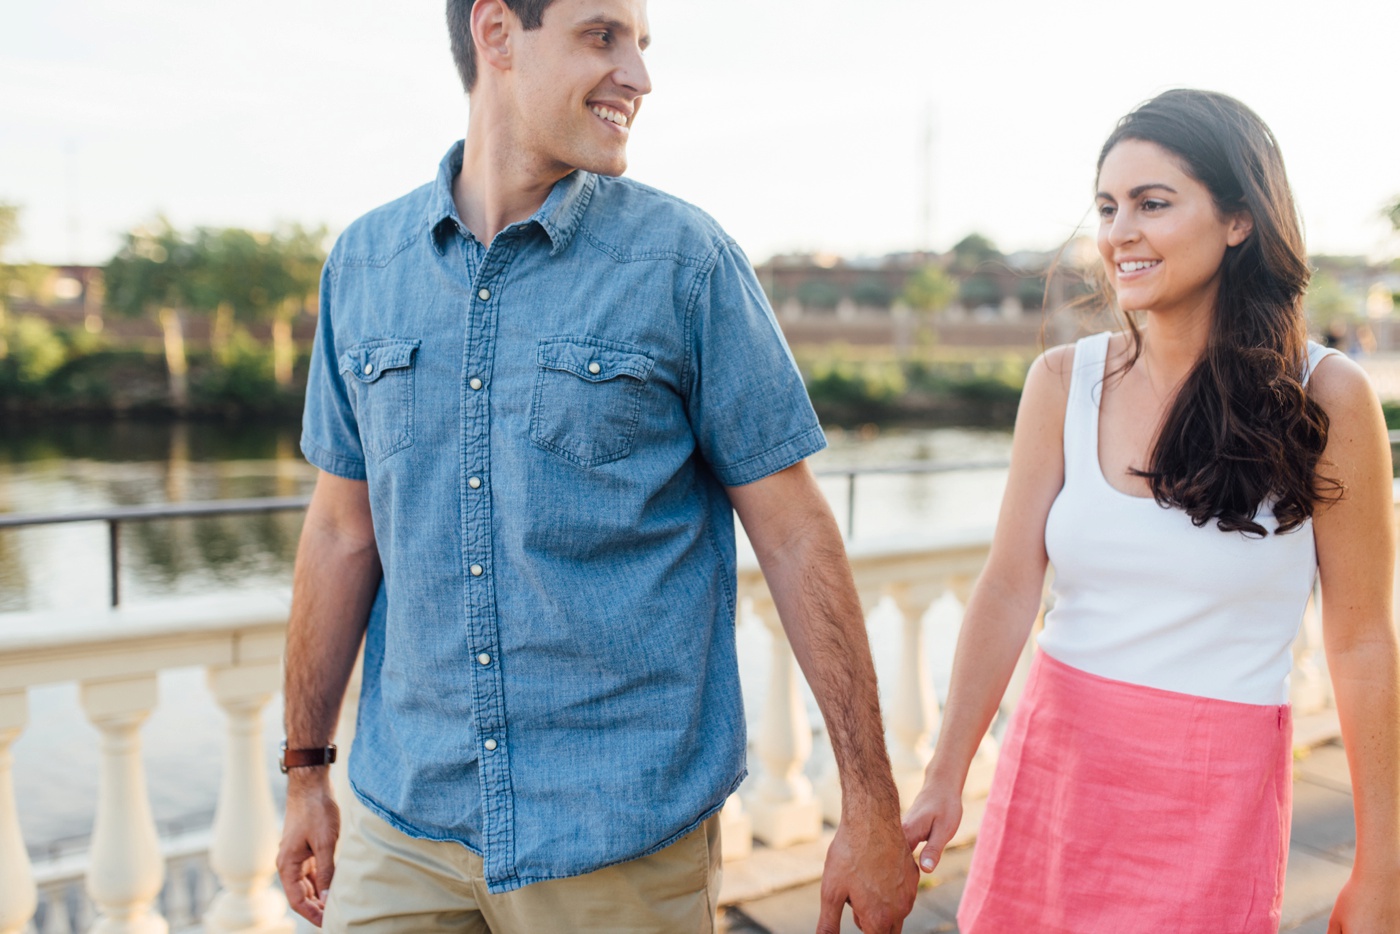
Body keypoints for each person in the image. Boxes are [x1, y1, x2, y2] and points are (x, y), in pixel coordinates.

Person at [274, 1, 918, 932]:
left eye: (641, 44)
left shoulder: (684, 263)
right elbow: (340, 532)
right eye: (602, 36)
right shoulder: (365, 266)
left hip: (616, 836)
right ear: (497, 33)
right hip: (402, 825)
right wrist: (304, 773)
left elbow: (793, 530)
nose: (640, 77)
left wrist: (868, 801)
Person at [903, 89, 1400, 933]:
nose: (1118, 232)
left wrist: (1385, 866)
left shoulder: (1330, 396)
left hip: (1217, 792)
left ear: (1239, 218)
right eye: (1107, 206)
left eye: (1152, 203)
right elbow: (1008, 588)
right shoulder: (1062, 381)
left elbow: (1359, 639)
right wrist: (946, 774)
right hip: (1057, 769)